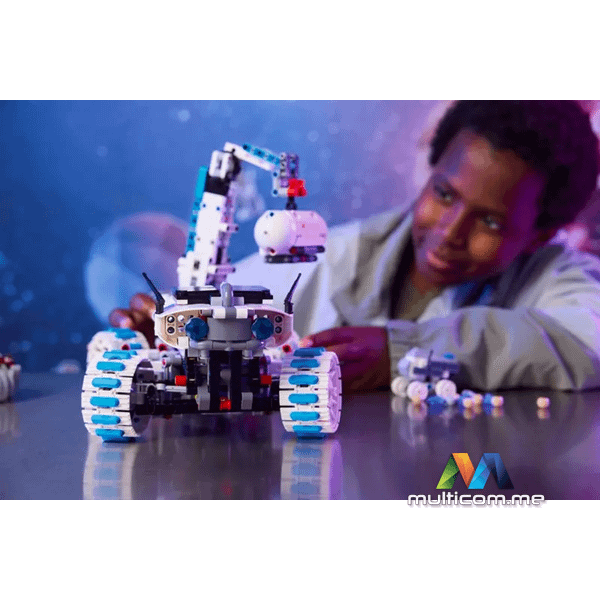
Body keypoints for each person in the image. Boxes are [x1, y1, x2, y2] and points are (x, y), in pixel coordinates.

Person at [110, 101, 600, 393]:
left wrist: (406, 351)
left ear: (540, 234)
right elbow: (228, 302)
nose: (450, 231)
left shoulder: (558, 275)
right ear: (430, 172)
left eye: (490, 221)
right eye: (444, 194)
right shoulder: (338, 253)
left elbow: (588, 339)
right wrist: (175, 331)